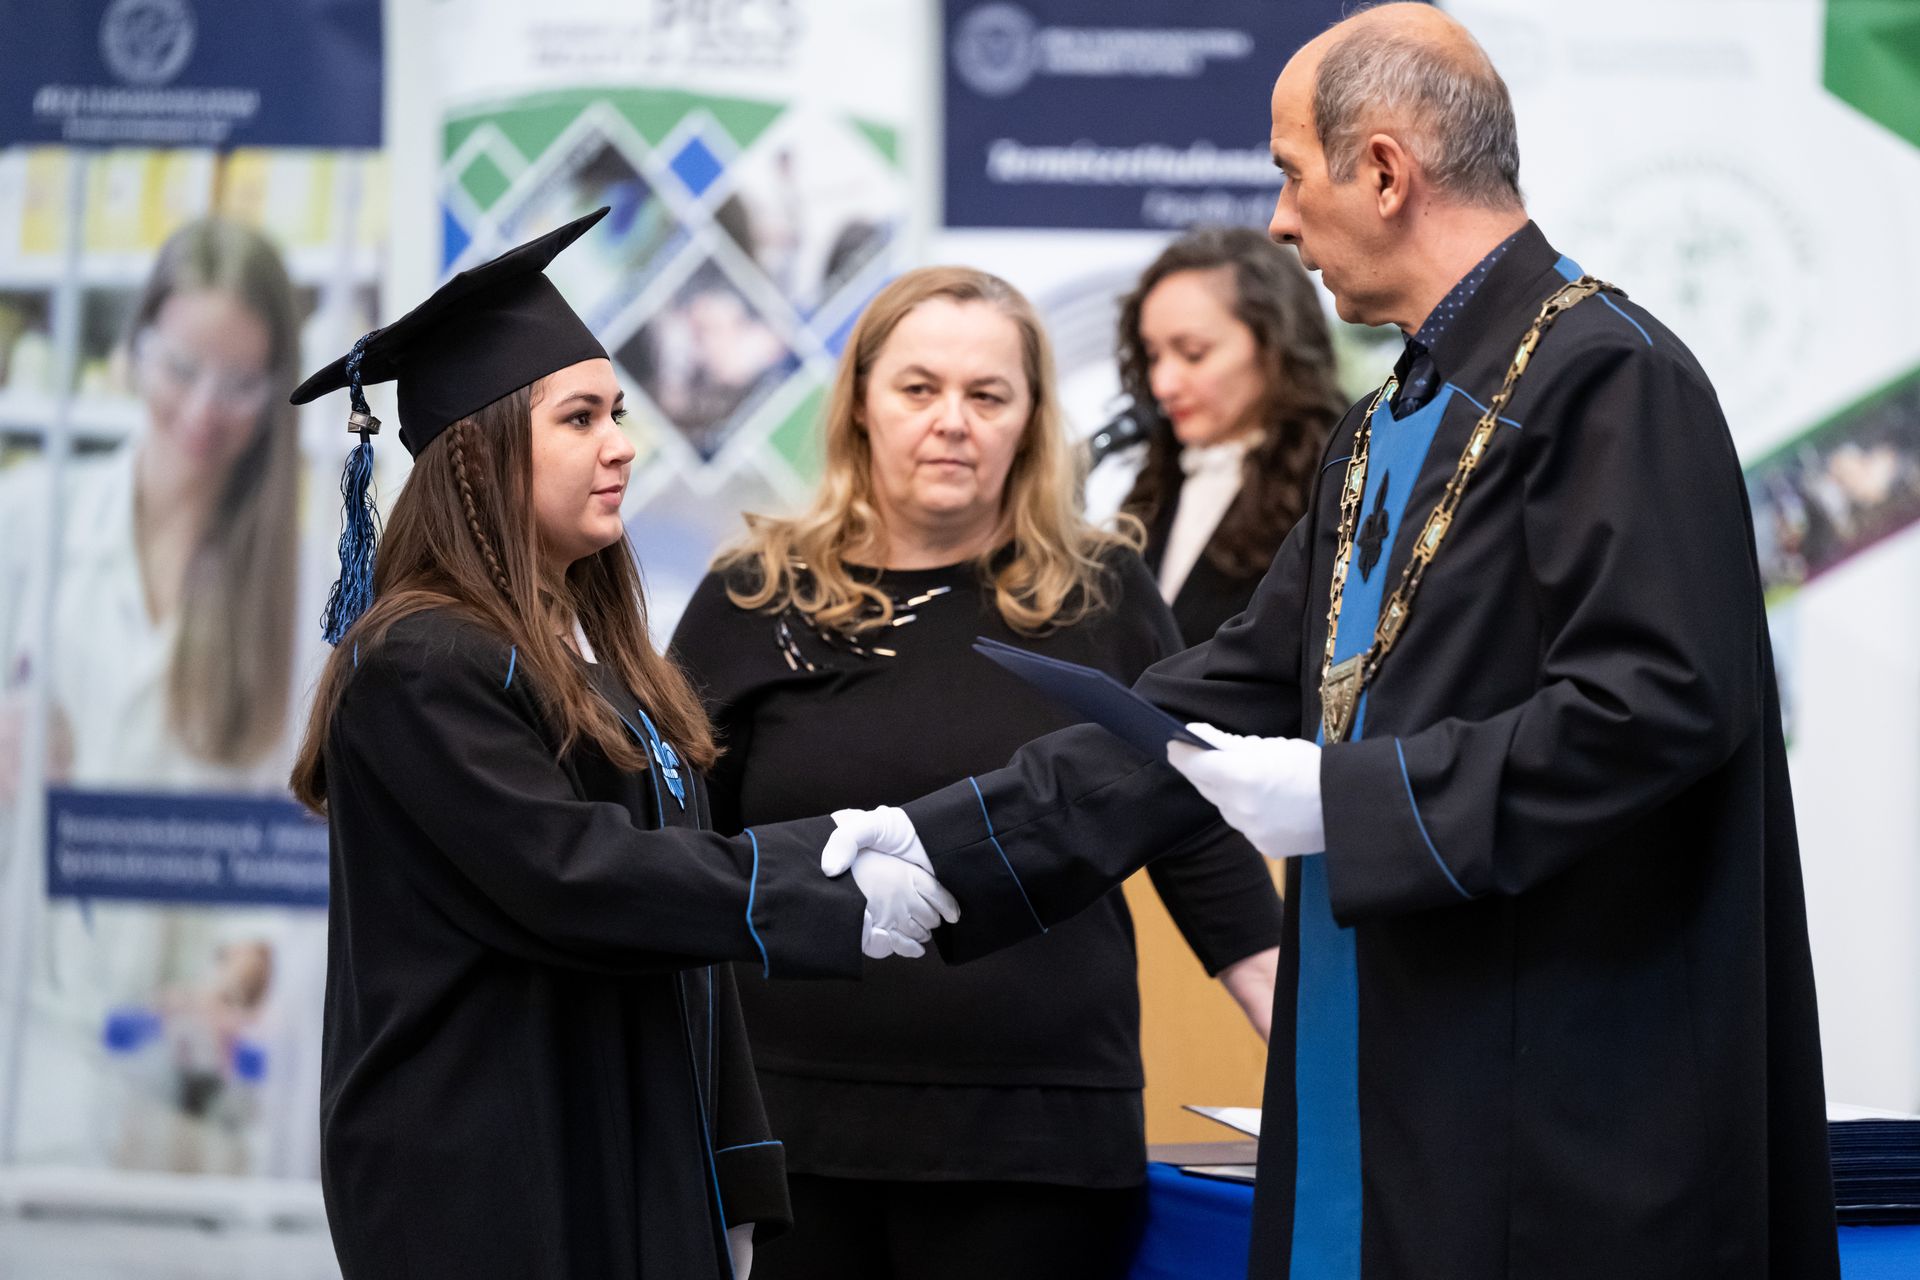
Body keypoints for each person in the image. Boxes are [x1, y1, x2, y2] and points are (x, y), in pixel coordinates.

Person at [823, 5, 1838, 1278]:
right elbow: (1215, 693)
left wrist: (1347, 796)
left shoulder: (1609, 376)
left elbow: (1663, 702)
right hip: (1389, 1064)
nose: (1279, 222)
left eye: (1292, 174)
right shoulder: (1380, 424)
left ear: (1385, 171)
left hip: (1549, 1112)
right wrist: (947, 843)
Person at [286, 209, 957, 1280]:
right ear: (476, 457)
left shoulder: (596, 657)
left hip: (623, 1138)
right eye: (581, 417)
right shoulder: (420, 664)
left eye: (618, 411)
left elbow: (679, 942)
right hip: (485, 1171)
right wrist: (815, 882)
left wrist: (736, 1174)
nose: (622, 444)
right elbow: (578, 878)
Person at [670, 266, 1282, 1280]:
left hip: (1040, 1145)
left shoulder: (1102, 595)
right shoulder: (753, 598)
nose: (951, 421)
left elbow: (1196, 838)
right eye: (919, 388)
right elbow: (681, 864)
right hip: (792, 1136)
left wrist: (1316, 1063)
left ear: (1032, 419)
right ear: (860, 404)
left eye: (987, 394)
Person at [0, 218, 320, 1175]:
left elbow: (309, 831)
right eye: (180, 367)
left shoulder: (301, 586)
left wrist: (240, 977)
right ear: (134, 347)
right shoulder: (31, 520)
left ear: (278, 390)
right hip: (30, 1025)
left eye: (241, 383)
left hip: (189, 1063)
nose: (204, 409)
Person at [1114, 227, 1346, 647]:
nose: (1162, 384)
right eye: (1152, 356)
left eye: (1193, 354)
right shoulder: (1156, 486)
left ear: (1274, 345)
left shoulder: (1337, 481)